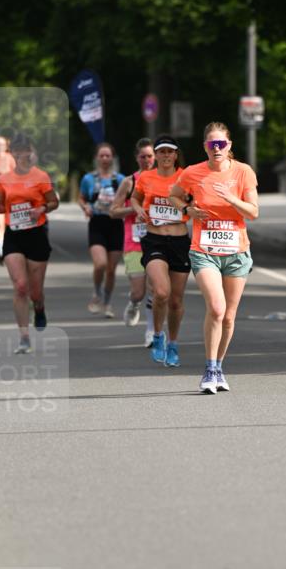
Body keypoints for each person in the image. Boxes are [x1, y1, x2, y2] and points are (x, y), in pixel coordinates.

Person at [169, 121, 258, 394]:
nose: (216, 148)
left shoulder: (243, 172)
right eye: (211, 144)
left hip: (236, 252)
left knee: (229, 317)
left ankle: (219, 366)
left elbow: (253, 212)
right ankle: (208, 370)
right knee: (216, 309)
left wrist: (231, 198)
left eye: (221, 144)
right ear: (205, 147)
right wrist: (187, 210)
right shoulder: (194, 173)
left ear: (229, 145)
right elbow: (173, 195)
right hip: (204, 250)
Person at [0, 133, 59, 353]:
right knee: (20, 286)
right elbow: (2, 205)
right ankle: (24, 337)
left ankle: (39, 308)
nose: (21, 154)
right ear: (13, 153)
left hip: (37, 234)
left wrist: (42, 208)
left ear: (30, 152)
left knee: (35, 292)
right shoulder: (4, 180)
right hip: (14, 234)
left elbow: (53, 201)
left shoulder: (41, 176)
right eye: (17, 150)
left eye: (25, 150)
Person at [130, 133, 190, 367]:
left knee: (176, 300)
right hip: (154, 240)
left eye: (169, 151)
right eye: (161, 151)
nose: (165, 155)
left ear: (175, 154)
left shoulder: (186, 176)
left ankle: (173, 343)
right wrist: (138, 210)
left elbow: (196, 200)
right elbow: (135, 198)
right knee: (161, 292)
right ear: (156, 155)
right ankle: (157, 336)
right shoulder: (146, 177)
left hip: (179, 241)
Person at [109, 138, 156, 341]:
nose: (147, 160)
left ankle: (152, 330)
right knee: (139, 292)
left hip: (157, 240)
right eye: (143, 156)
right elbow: (113, 211)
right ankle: (134, 302)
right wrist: (134, 209)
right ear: (137, 158)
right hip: (134, 242)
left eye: (150, 156)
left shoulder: (164, 180)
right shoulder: (129, 182)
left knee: (156, 289)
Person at [78, 143, 125, 317]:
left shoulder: (120, 179)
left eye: (108, 156)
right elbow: (81, 198)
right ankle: (97, 292)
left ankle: (107, 302)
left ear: (112, 158)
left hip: (115, 224)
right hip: (97, 223)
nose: (105, 159)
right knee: (100, 264)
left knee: (111, 269)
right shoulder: (89, 179)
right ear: (96, 158)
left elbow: (128, 199)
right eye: (102, 156)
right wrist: (85, 207)